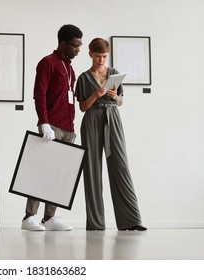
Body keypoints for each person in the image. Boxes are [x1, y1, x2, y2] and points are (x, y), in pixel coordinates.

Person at [74, 38, 147, 231]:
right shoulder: (83, 78)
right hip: (91, 120)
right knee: (92, 170)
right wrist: (95, 95)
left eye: (104, 56)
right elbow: (82, 107)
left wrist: (116, 97)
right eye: (97, 56)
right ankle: (96, 224)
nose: (101, 60)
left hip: (112, 118)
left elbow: (121, 102)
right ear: (90, 54)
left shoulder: (114, 73)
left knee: (120, 166)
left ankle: (131, 221)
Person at [21, 24, 83, 231]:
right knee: (41, 172)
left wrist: (72, 128)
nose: (78, 49)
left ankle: (50, 218)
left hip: (68, 128)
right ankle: (29, 217)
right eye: (75, 46)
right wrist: (44, 122)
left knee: (58, 175)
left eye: (80, 46)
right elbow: (39, 94)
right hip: (52, 126)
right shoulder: (47, 63)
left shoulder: (70, 68)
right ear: (63, 43)